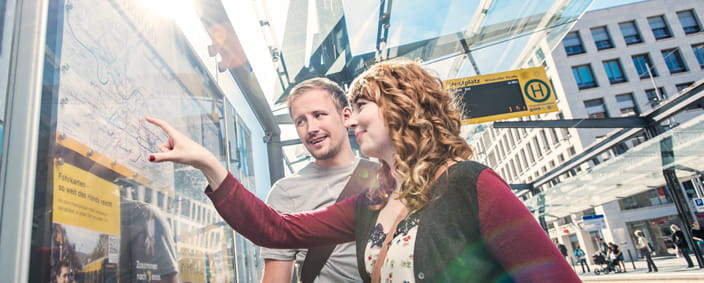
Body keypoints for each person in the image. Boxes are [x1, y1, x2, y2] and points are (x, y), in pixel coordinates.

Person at [145, 58, 579, 282]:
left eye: (361, 107)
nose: (349, 121)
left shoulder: (470, 183)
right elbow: (277, 230)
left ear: (401, 106)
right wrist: (208, 164)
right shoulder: (376, 199)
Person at [260, 78, 367, 283]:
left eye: (319, 115)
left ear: (346, 116)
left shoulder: (385, 177)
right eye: (301, 121)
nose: (311, 128)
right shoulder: (286, 192)